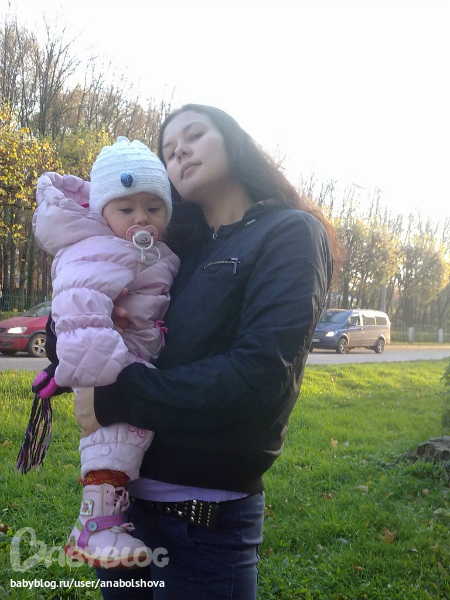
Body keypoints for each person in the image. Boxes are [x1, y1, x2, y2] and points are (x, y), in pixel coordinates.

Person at [65, 104, 337, 599]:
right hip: (122, 514)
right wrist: (89, 323)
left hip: (203, 526)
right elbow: (79, 295)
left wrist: (115, 398)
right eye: (169, 151)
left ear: (234, 140)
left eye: (194, 135)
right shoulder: (172, 249)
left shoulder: (289, 233)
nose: (180, 152)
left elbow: (257, 376)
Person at [27, 137, 180, 568]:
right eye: (126, 209)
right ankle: (95, 528)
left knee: (129, 437)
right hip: (107, 362)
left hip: (128, 355)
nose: (141, 218)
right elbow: (79, 309)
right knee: (118, 437)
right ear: (101, 211)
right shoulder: (95, 248)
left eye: (154, 207)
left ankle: (101, 523)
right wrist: (105, 381)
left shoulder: (142, 250)